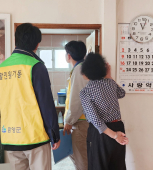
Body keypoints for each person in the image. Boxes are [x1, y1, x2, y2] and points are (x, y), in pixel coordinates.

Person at [0, 23, 60, 170]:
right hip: (34, 136)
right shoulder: (36, 65)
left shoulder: (1, 68)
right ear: (37, 44)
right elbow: (46, 103)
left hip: (10, 137)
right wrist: (54, 135)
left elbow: (1, 102)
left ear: (16, 40)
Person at [79, 52, 129, 170]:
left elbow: (95, 119)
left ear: (86, 71)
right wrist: (109, 76)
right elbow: (122, 93)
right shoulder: (110, 83)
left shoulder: (86, 92)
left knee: (98, 166)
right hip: (118, 126)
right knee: (118, 165)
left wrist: (115, 136)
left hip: (101, 133)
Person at [63, 41, 89, 170]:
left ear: (68, 56)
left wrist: (69, 120)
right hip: (84, 120)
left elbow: (77, 99)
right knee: (81, 156)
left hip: (81, 121)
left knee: (81, 159)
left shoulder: (79, 69)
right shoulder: (84, 67)